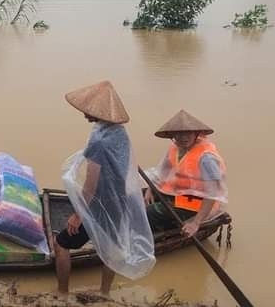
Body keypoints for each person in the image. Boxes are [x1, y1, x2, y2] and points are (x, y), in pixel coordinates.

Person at [56, 81, 155, 295]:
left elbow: (91, 183)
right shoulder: (119, 132)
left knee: (62, 243)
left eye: (87, 111)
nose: (84, 114)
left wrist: (78, 214)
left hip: (99, 203)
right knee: (111, 250)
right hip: (119, 200)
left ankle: (62, 293)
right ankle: (104, 293)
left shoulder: (100, 141)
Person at [144, 110, 227, 237]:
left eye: (188, 133)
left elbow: (213, 194)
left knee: (149, 212)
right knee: (138, 199)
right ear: (173, 135)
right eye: (179, 133)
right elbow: (162, 172)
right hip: (179, 192)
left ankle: (155, 230)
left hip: (197, 202)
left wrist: (196, 223)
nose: (183, 137)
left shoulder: (206, 158)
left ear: (196, 133)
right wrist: (150, 189)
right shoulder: (175, 147)